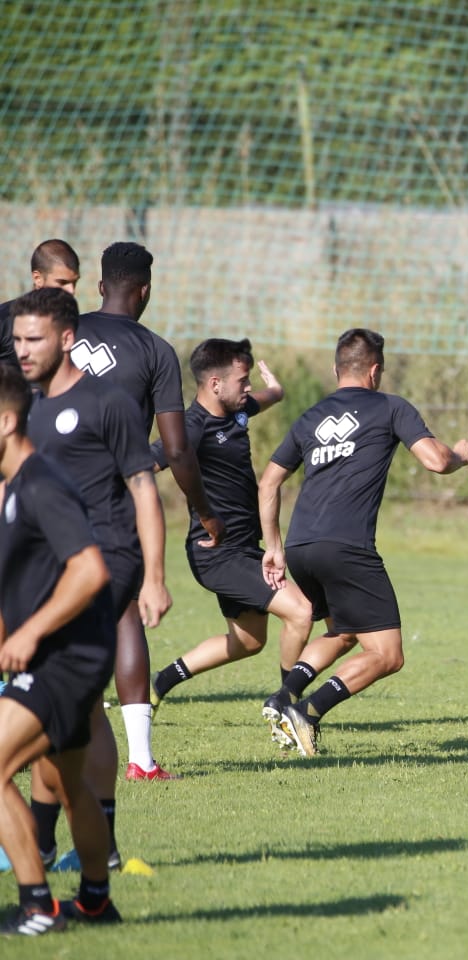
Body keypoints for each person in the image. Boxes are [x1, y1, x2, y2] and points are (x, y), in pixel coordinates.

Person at [259, 329, 468, 756]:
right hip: (347, 547)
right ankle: (309, 710)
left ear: (336, 370)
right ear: (375, 371)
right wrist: (463, 455)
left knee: (342, 633)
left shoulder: (310, 417)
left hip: (302, 545)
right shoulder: (389, 407)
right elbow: (435, 460)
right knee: (388, 653)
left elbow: (268, 482)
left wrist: (273, 545)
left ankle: (283, 697)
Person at [14, 287, 168, 865]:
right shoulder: (27, 406)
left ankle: (43, 840)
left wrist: (153, 576)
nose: (23, 350)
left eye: (34, 340)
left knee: (54, 702)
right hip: (49, 566)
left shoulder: (107, 403)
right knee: (77, 709)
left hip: (105, 563)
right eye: (18, 339)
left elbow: (144, 489)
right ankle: (86, 848)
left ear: (67, 339)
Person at [73, 241, 223, 780]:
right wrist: (203, 509)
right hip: (111, 498)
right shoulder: (156, 351)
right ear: (145, 291)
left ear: (97, 287)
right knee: (123, 614)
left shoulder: (62, 334)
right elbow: (177, 449)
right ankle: (139, 759)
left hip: (40, 490)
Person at [0, 359, 122, 934]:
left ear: (5, 421)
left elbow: (89, 570)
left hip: (65, 658)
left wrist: (29, 633)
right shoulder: (13, 489)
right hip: (63, 655)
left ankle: (37, 906)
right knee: (72, 785)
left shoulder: (41, 483)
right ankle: (96, 900)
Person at [149, 339, 314, 710]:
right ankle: (287, 707)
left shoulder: (236, 411)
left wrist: (278, 390)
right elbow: (147, 465)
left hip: (243, 548)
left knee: (248, 642)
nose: (248, 388)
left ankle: (161, 680)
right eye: (243, 380)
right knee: (301, 612)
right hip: (217, 554)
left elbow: (264, 399)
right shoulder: (191, 428)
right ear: (214, 385)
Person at [0, 240, 81, 373]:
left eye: (74, 283)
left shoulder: (74, 322)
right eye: (62, 282)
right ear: (38, 278)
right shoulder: (4, 320)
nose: (71, 290)